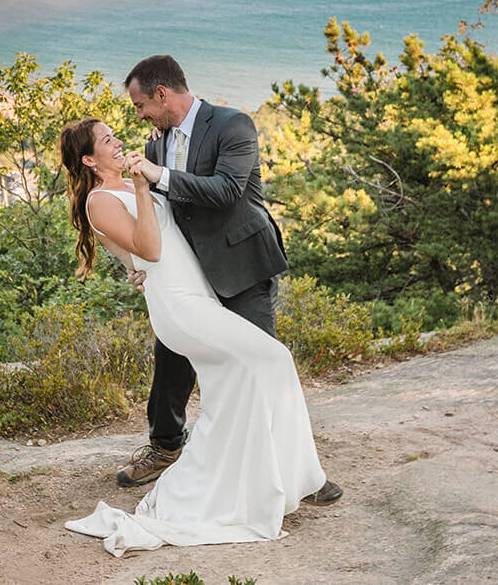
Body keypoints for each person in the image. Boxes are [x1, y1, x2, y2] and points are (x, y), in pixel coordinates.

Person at [59, 116, 328, 555]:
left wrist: (135, 257)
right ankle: (263, 484)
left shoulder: (130, 181)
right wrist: (144, 186)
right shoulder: (99, 200)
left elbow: (141, 255)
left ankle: (266, 485)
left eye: (114, 134)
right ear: (90, 159)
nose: (117, 140)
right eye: (106, 140)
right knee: (271, 359)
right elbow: (149, 249)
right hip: (179, 307)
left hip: (198, 295)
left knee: (235, 389)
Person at [118, 54, 342, 505]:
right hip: (189, 276)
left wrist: (158, 174)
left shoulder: (233, 125)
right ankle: (165, 446)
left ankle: (298, 474)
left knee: (263, 364)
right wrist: (140, 266)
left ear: (162, 94)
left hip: (243, 266)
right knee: (172, 357)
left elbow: (225, 191)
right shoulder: (156, 143)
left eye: (141, 105)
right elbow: (158, 217)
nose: (139, 115)